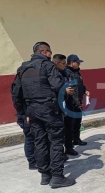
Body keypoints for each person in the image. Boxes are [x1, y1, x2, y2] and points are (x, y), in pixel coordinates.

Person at [17, 42, 75, 188]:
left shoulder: (23, 68)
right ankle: (57, 177)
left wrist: (22, 114)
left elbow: (16, 93)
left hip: (32, 110)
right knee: (55, 142)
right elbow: (58, 86)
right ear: (44, 51)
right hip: (49, 110)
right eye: (49, 51)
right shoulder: (48, 66)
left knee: (40, 142)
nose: (50, 54)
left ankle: (45, 175)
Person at [52, 54, 76, 158]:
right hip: (57, 106)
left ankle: (69, 148)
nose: (65, 65)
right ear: (57, 63)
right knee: (59, 131)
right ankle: (59, 153)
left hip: (68, 103)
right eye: (63, 63)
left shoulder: (66, 72)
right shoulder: (52, 74)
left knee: (69, 127)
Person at [65, 54, 89, 147]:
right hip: (71, 101)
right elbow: (69, 87)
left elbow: (79, 85)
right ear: (72, 62)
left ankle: (76, 139)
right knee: (70, 123)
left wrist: (85, 90)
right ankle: (69, 143)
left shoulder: (77, 72)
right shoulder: (67, 72)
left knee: (77, 122)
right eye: (77, 62)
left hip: (78, 101)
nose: (79, 64)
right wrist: (74, 100)